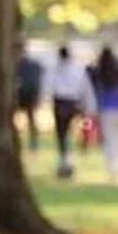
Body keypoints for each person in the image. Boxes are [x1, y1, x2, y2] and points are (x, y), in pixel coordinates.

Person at [89, 44, 118, 182]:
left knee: (108, 139)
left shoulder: (98, 74)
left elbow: (94, 93)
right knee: (117, 138)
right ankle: (116, 164)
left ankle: (111, 166)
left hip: (105, 109)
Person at [44, 43, 91, 180]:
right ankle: (68, 160)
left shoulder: (55, 70)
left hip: (60, 102)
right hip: (73, 102)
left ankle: (65, 160)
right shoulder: (77, 70)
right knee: (69, 132)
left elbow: (48, 86)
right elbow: (84, 87)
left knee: (62, 133)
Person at [13, 46, 45, 151]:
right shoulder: (34, 66)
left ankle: (33, 143)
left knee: (30, 120)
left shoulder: (20, 66)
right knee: (30, 120)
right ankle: (33, 143)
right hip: (27, 96)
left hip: (25, 95)